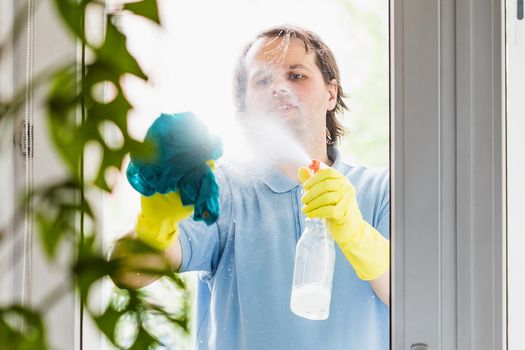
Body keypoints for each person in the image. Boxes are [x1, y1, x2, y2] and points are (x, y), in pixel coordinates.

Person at [111, 25, 390, 350]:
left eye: (296, 75)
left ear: (331, 93)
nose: (279, 88)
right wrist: (155, 225)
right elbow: (126, 273)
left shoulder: (380, 189)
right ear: (245, 106)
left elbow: (417, 296)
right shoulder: (223, 191)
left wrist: (357, 234)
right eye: (263, 80)